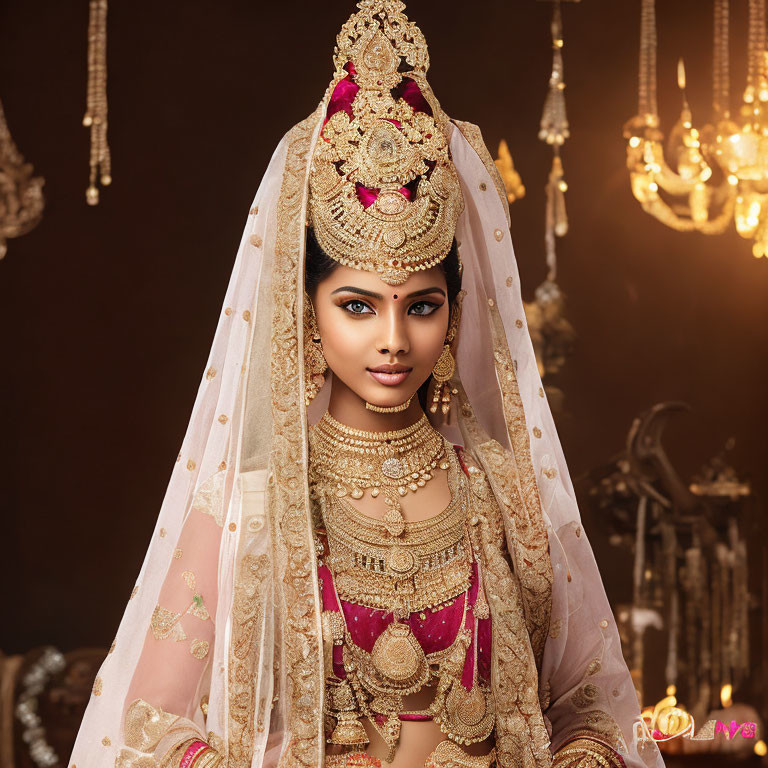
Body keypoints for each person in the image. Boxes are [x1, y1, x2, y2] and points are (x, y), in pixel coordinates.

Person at [67, 3, 666, 768]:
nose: (392, 338)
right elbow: (146, 728)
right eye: (357, 306)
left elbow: (592, 706)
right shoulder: (251, 508)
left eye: (421, 305)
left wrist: (584, 756)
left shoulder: (503, 492)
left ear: (453, 315)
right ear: (307, 312)